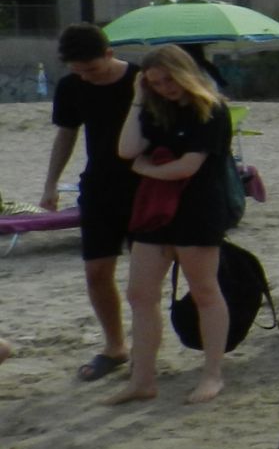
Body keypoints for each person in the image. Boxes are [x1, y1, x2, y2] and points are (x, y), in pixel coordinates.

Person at [101, 45, 236, 406]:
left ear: (183, 72)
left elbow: (187, 167)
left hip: (198, 209)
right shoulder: (155, 107)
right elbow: (127, 149)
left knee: (204, 291)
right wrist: (138, 99)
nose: (165, 88)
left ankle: (212, 374)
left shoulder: (210, 109)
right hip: (155, 211)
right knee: (140, 294)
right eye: (155, 83)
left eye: (168, 79)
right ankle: (142, 378)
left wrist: (147, 170)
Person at [41, 23, 139, 383]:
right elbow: (66, 135)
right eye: (78, 70)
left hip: (146, 187)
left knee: (144, 279)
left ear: (109, 55)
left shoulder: (141, 80)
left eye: (92, 69)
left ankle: (145, 351)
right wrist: (51, 184)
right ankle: (115, 346)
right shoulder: (71, 86)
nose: (85, 77)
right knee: (96, 273)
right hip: (99, 188)